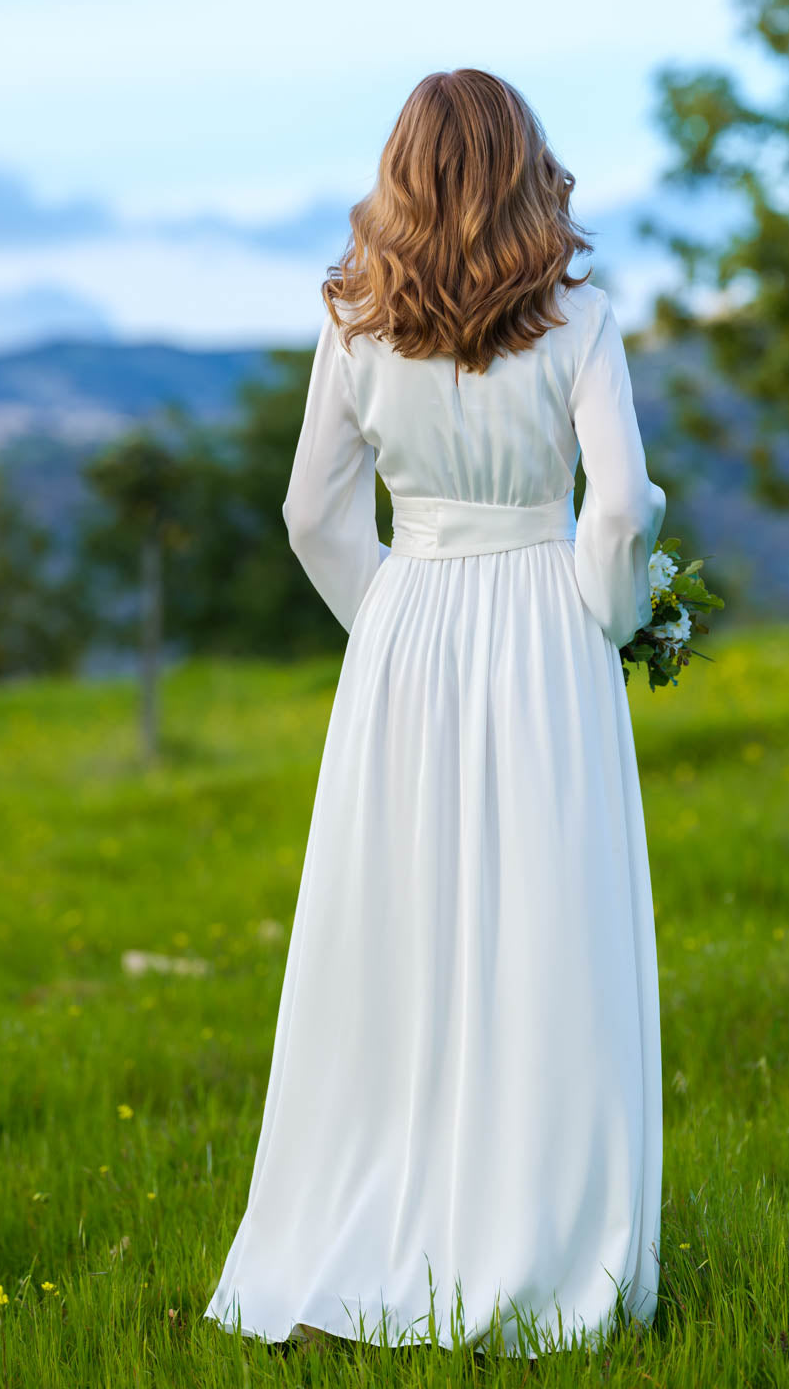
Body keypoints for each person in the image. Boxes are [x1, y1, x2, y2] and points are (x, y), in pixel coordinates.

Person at [203, 67, 667, 1360]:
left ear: (402, 175)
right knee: (545, 930)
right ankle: (542, 1239)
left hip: (406, 625)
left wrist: (394, 624)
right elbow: (621, 508)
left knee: (395, 936)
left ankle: (371, 1220)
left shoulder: (355, 321)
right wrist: (610, 615)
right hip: (545, 624)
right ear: (529, 170)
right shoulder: (578, 317)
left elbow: (309, 516)